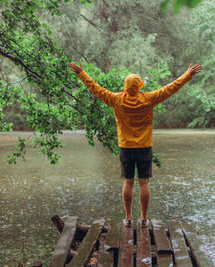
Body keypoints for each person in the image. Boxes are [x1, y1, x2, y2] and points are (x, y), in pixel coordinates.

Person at [69, 62, 202, 227]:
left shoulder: (116, 100)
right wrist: (188, 74)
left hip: (126, 147)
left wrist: (81, 73)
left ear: (125, 86)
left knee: (128, 182)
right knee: (144, 182)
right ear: (138, 86)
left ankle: (129, 218)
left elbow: (96, 89)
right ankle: (144, 219)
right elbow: (171, 88)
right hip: (144, 146)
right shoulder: (148, 99)